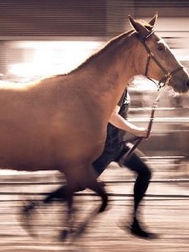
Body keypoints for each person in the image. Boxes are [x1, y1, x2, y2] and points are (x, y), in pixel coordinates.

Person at [33, 88, 156, 239]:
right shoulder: (118, 89)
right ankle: (37, 204)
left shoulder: (123, 89)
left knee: (145, 172)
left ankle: (134, 222)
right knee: (80, 185)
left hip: (117, 147)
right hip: (105, 149)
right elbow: (112, 116)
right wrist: (136, 131)